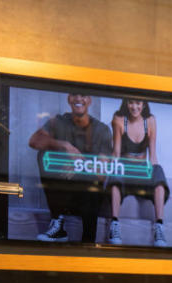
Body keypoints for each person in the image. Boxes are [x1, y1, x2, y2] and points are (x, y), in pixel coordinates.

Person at [29, 93, 113, 243]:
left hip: (87, 196)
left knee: (93, 187)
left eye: (84, 95)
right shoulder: (58, 122)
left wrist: (79, 166)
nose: (79, 98)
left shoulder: (102, 129)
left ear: (90, 100)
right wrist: (64, 145)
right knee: (44, 154)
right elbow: (34, 141)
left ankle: (88, 244)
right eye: (74, 95)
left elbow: (101, 174)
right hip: (61, 192)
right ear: (68, 98)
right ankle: (58, 223)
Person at [106, 98, 170, 247]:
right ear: (126, 104)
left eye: (138, 103)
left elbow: (153, 156)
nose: (134, 107)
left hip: (141, 170)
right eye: (130, 103)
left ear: (144, 104)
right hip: (124, 169)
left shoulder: (151, 121)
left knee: (158, 171)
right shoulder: (119, 119)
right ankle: (114, 224)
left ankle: (159, 226)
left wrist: (155, 176)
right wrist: (110, 171)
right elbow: (116, 152)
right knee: (115, 170)